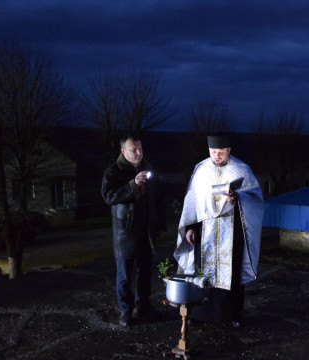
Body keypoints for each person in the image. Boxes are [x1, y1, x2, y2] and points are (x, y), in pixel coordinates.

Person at [174, 135, 263, 328]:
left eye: (221, 152)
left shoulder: (241, 169)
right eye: (213, 152)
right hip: (204, 232)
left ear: (228, 150)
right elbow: (193, 202)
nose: (217, 156)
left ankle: (233, 315)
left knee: (232, 274)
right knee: (201, 272)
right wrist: (191, 228)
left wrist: (236, 198)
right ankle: (199, 313)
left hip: (232, 233)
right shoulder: (201, 170)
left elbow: (254, 197)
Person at [101, 135, 166, 327]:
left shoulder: (149, 168)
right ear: (123, 151)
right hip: (125, 232)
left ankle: (143, 306)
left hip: (147, 231)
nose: (139, 153)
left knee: (145, 272)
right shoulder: (114, 171)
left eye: (140, 148)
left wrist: (159, 224)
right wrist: (133, 185)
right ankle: (125, 310)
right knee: (125, 275)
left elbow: (158, 198)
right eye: (134, 150)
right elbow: (109, 196)